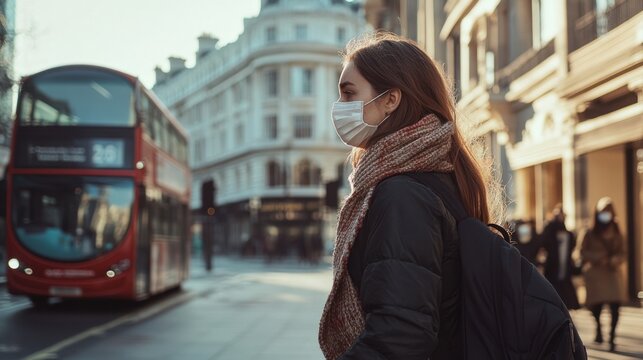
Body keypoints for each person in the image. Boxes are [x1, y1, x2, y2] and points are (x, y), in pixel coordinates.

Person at [318, 32, 502, 360]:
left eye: (348, 94)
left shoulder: (402, 195)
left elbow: (400, 334)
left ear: (391, 99)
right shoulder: (429, 179)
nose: (339, 108)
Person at [581, 197, 627, 352]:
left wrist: (615, 259)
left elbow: (623, 252)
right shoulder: (589, 232)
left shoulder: (617, 231)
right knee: (596, 307)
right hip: (595, 275)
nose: (606, 214)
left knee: (615, 306)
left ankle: (612, 336)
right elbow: (580, 252)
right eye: (603, 211)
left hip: (612, 273)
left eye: (608, 211)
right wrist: (597, 258)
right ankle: (598, 330)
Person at [541, 205, 580, 310]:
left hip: (565, 268)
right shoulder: (549, 231)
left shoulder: (569, 234)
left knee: (566, 296)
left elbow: (572, 248)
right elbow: (543, 242)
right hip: (552, 268)